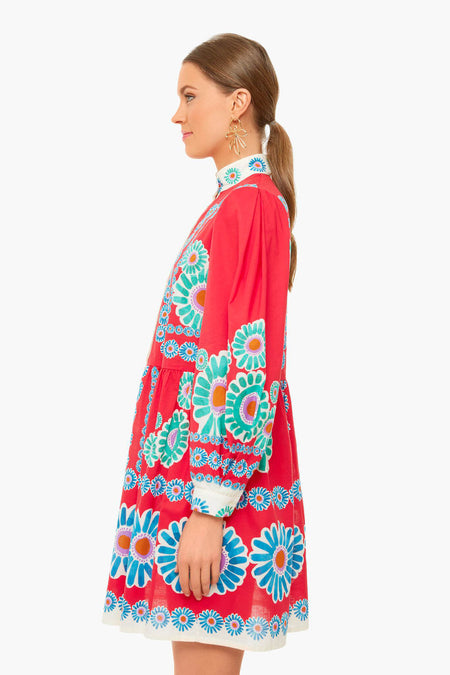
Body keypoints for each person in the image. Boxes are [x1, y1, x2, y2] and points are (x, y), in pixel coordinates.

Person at [102, 32, 309, 674]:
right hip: (193, 482)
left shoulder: (249, 206)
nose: (178, 114)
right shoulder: (233, 204)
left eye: (190, 96)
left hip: (211, 492)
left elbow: (243, 360)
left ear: (238, 103)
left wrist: (211, 509)